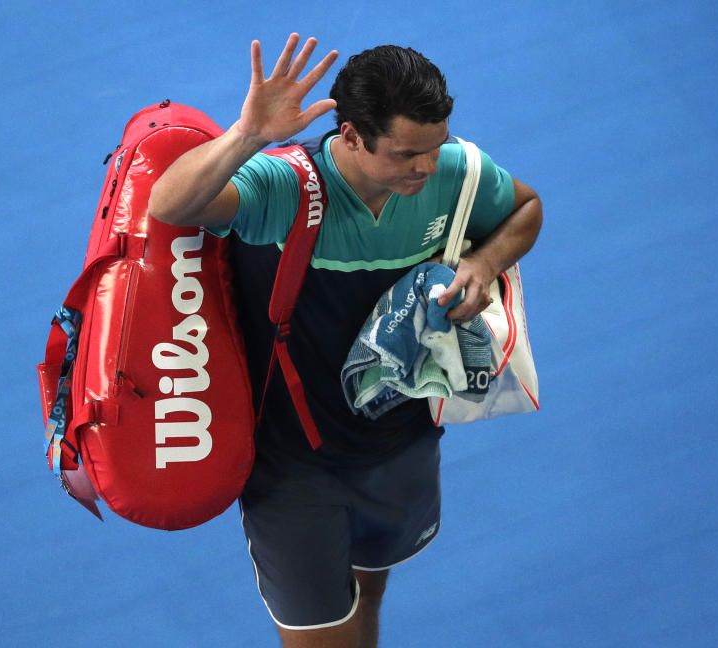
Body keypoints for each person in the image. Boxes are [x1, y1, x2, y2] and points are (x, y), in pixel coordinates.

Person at [149, 33, 542, 648]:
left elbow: (525, 209)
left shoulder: (456, 172)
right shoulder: (282, 189)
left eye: (434, 147)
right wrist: (247, 137)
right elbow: (171, 205)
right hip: (293, 466)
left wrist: (484, 262)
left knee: (367, 599)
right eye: (407, 153)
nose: (427, 167)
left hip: (401, 440)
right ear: (352, 136)